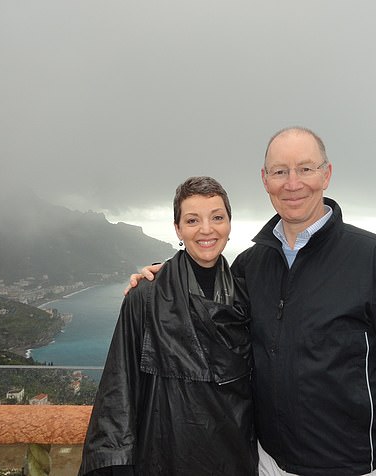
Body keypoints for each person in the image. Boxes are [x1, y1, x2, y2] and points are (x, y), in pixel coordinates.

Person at [128, 127, 376, 476]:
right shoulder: (248, 266)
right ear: (265, 180)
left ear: (327, 174)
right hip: (266, 463)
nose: (292, 183)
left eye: (305, 168)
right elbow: (204, 315)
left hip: (352, 467)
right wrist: (159, 279)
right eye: (279, 171)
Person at [79, 176, 258, 475]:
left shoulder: (246, 295)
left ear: (229, 224)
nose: (206, 230)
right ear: (178, 228)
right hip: (165, 454)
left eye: (217, 217)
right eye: (192, 220)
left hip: (235, 456)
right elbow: (120, 385)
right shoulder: (146, 297)